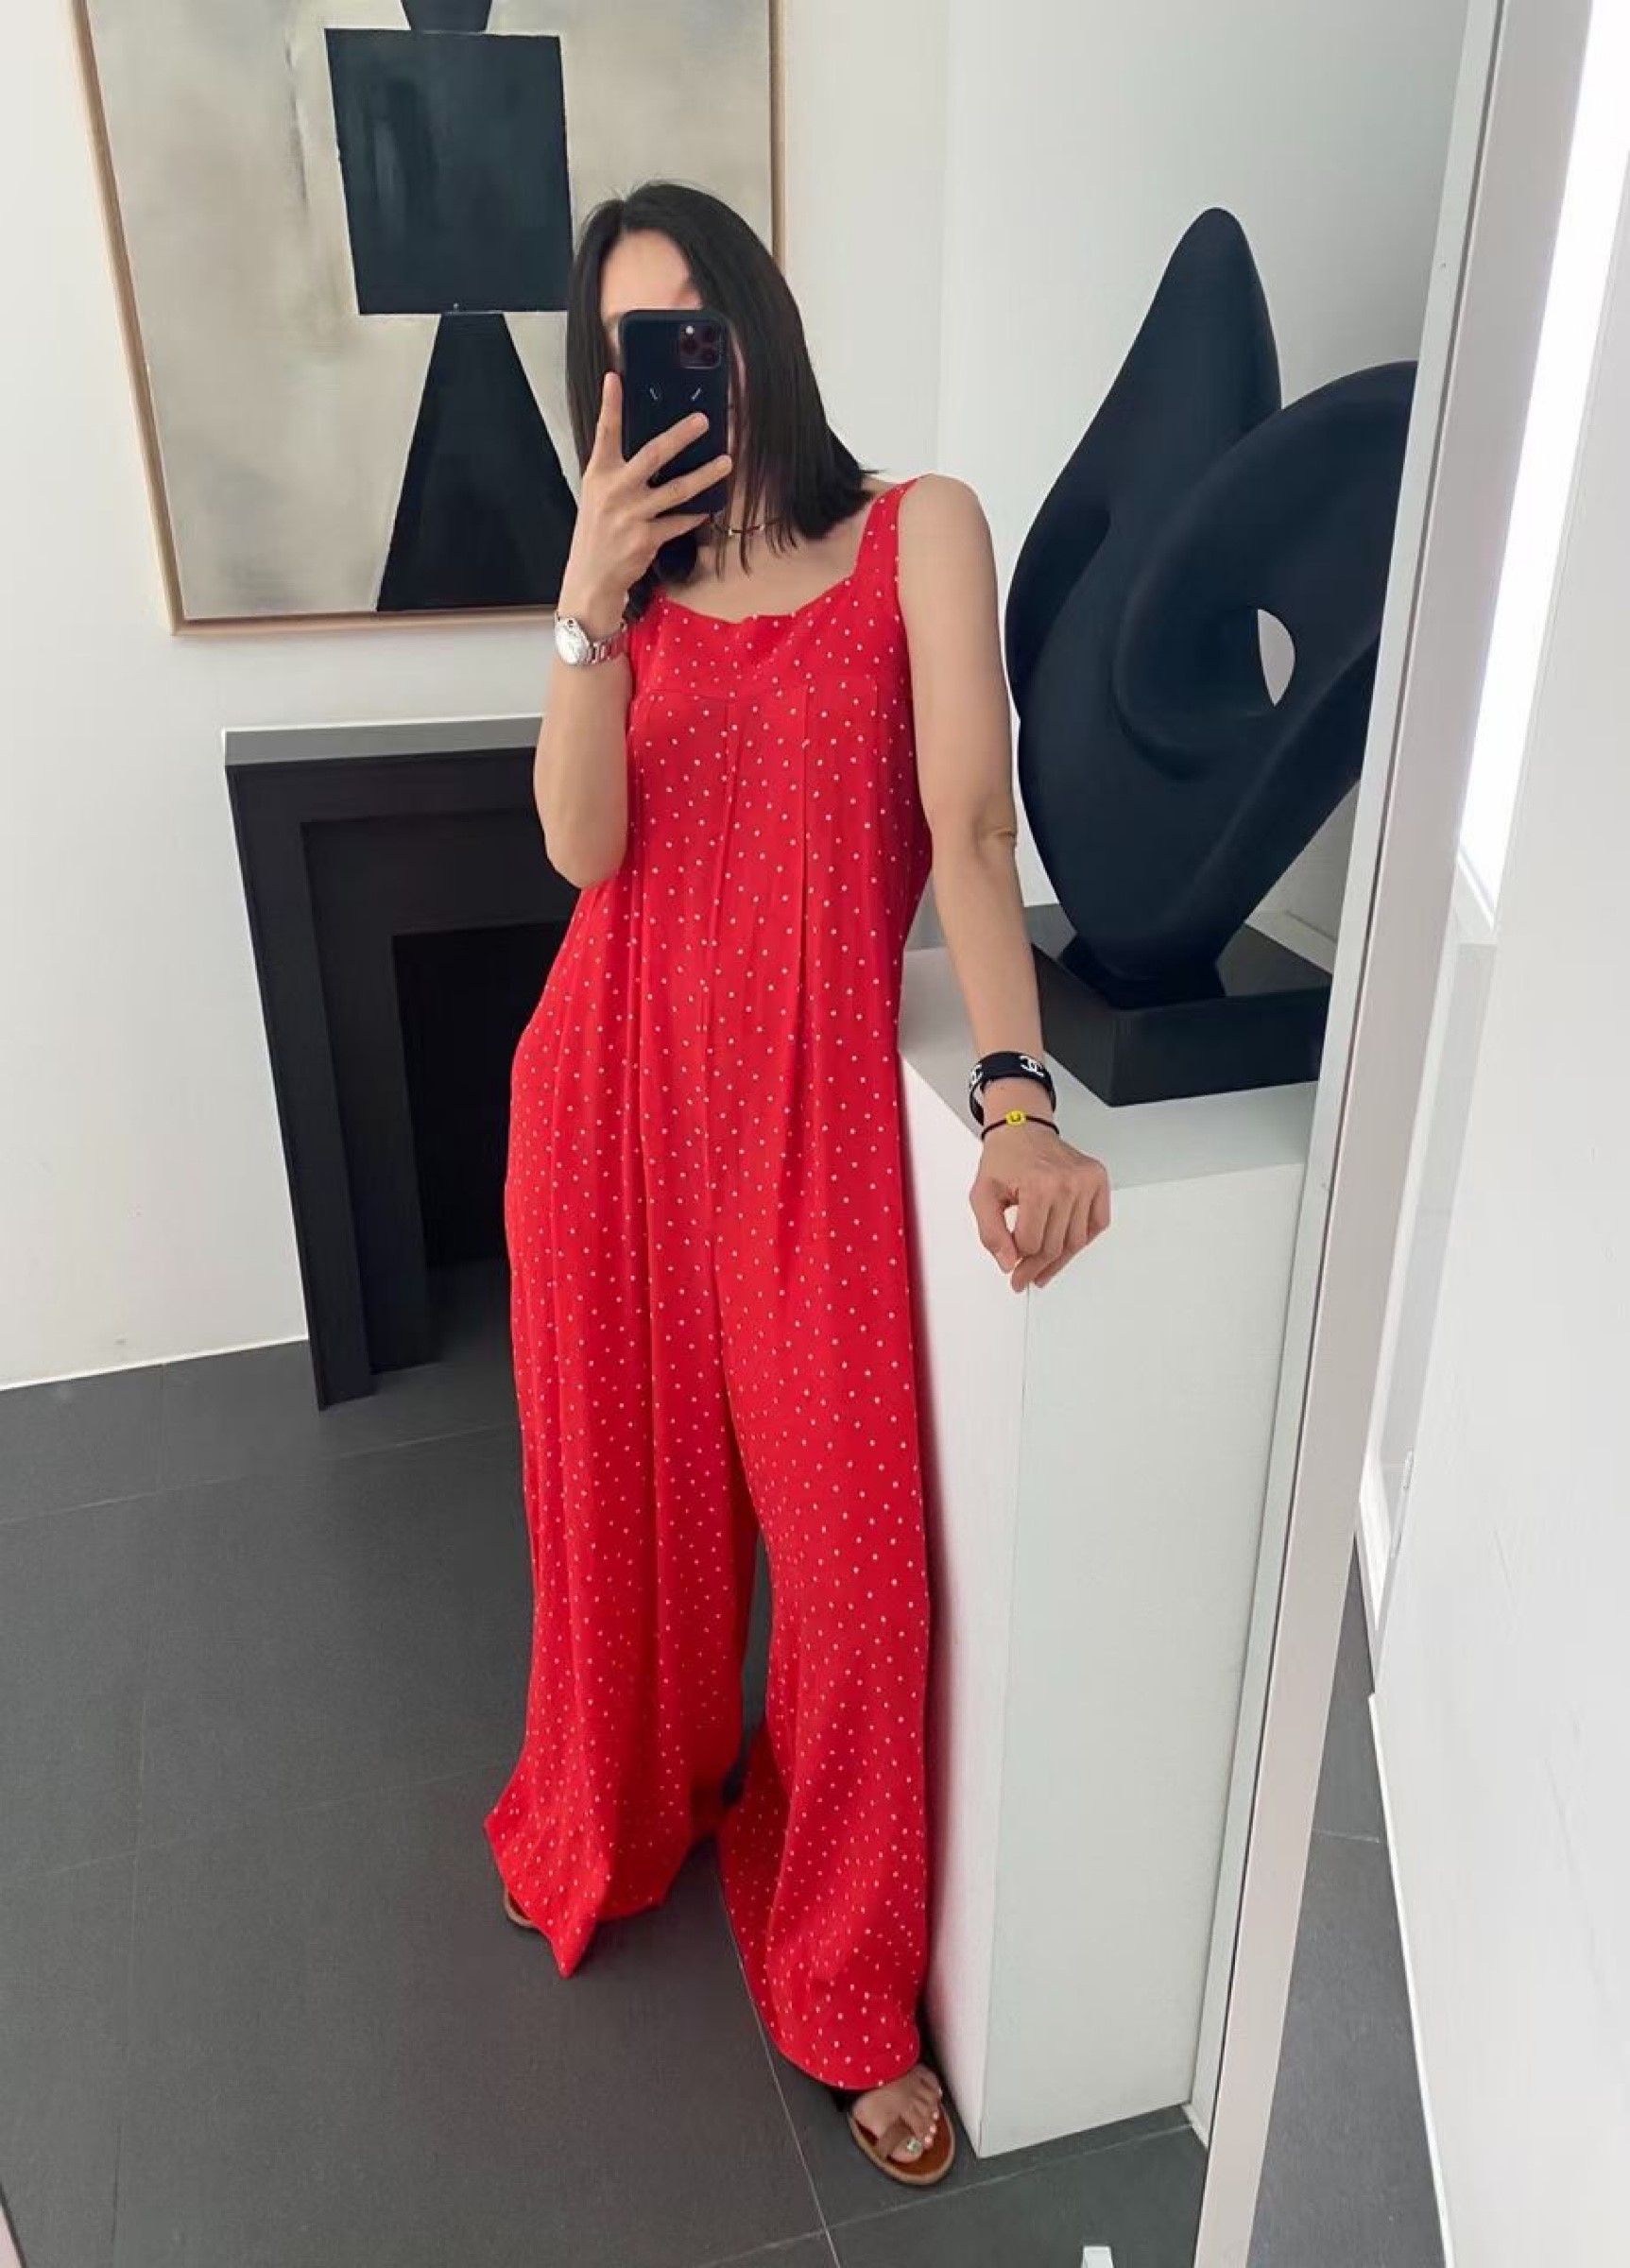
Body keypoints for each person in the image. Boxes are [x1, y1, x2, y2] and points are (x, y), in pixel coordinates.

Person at [484, 180, 1111, 2185]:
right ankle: (636, 1792)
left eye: (695, 318)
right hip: (607, 1107)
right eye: (631, 345)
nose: (681, 368)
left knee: (852, 1578)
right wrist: (586, 603)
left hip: (808, 1120)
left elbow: (970, 826)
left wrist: (1013, 1101)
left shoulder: (921, 529)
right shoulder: (629, 596)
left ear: (759, 316)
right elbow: (580, 854)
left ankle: (845, 1979)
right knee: (629, 1523)